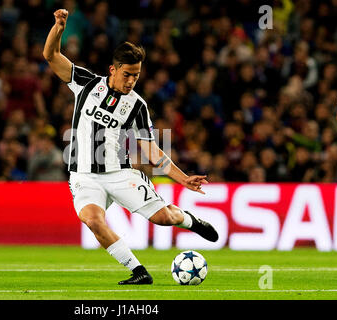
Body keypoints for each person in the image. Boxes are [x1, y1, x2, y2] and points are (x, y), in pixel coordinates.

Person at [43, 9, 218, 285]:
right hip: (84, 176)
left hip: (120, 174)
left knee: (163, 218)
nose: (131, 81)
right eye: (127, 75)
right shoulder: (86, 85)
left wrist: (183, 178)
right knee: (92, 220)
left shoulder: (137, 106)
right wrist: (59, 28)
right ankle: (139, 272)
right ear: (113, 70)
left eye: (136, 76)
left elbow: (151, 151)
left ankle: (189, 220)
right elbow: (51, 56)